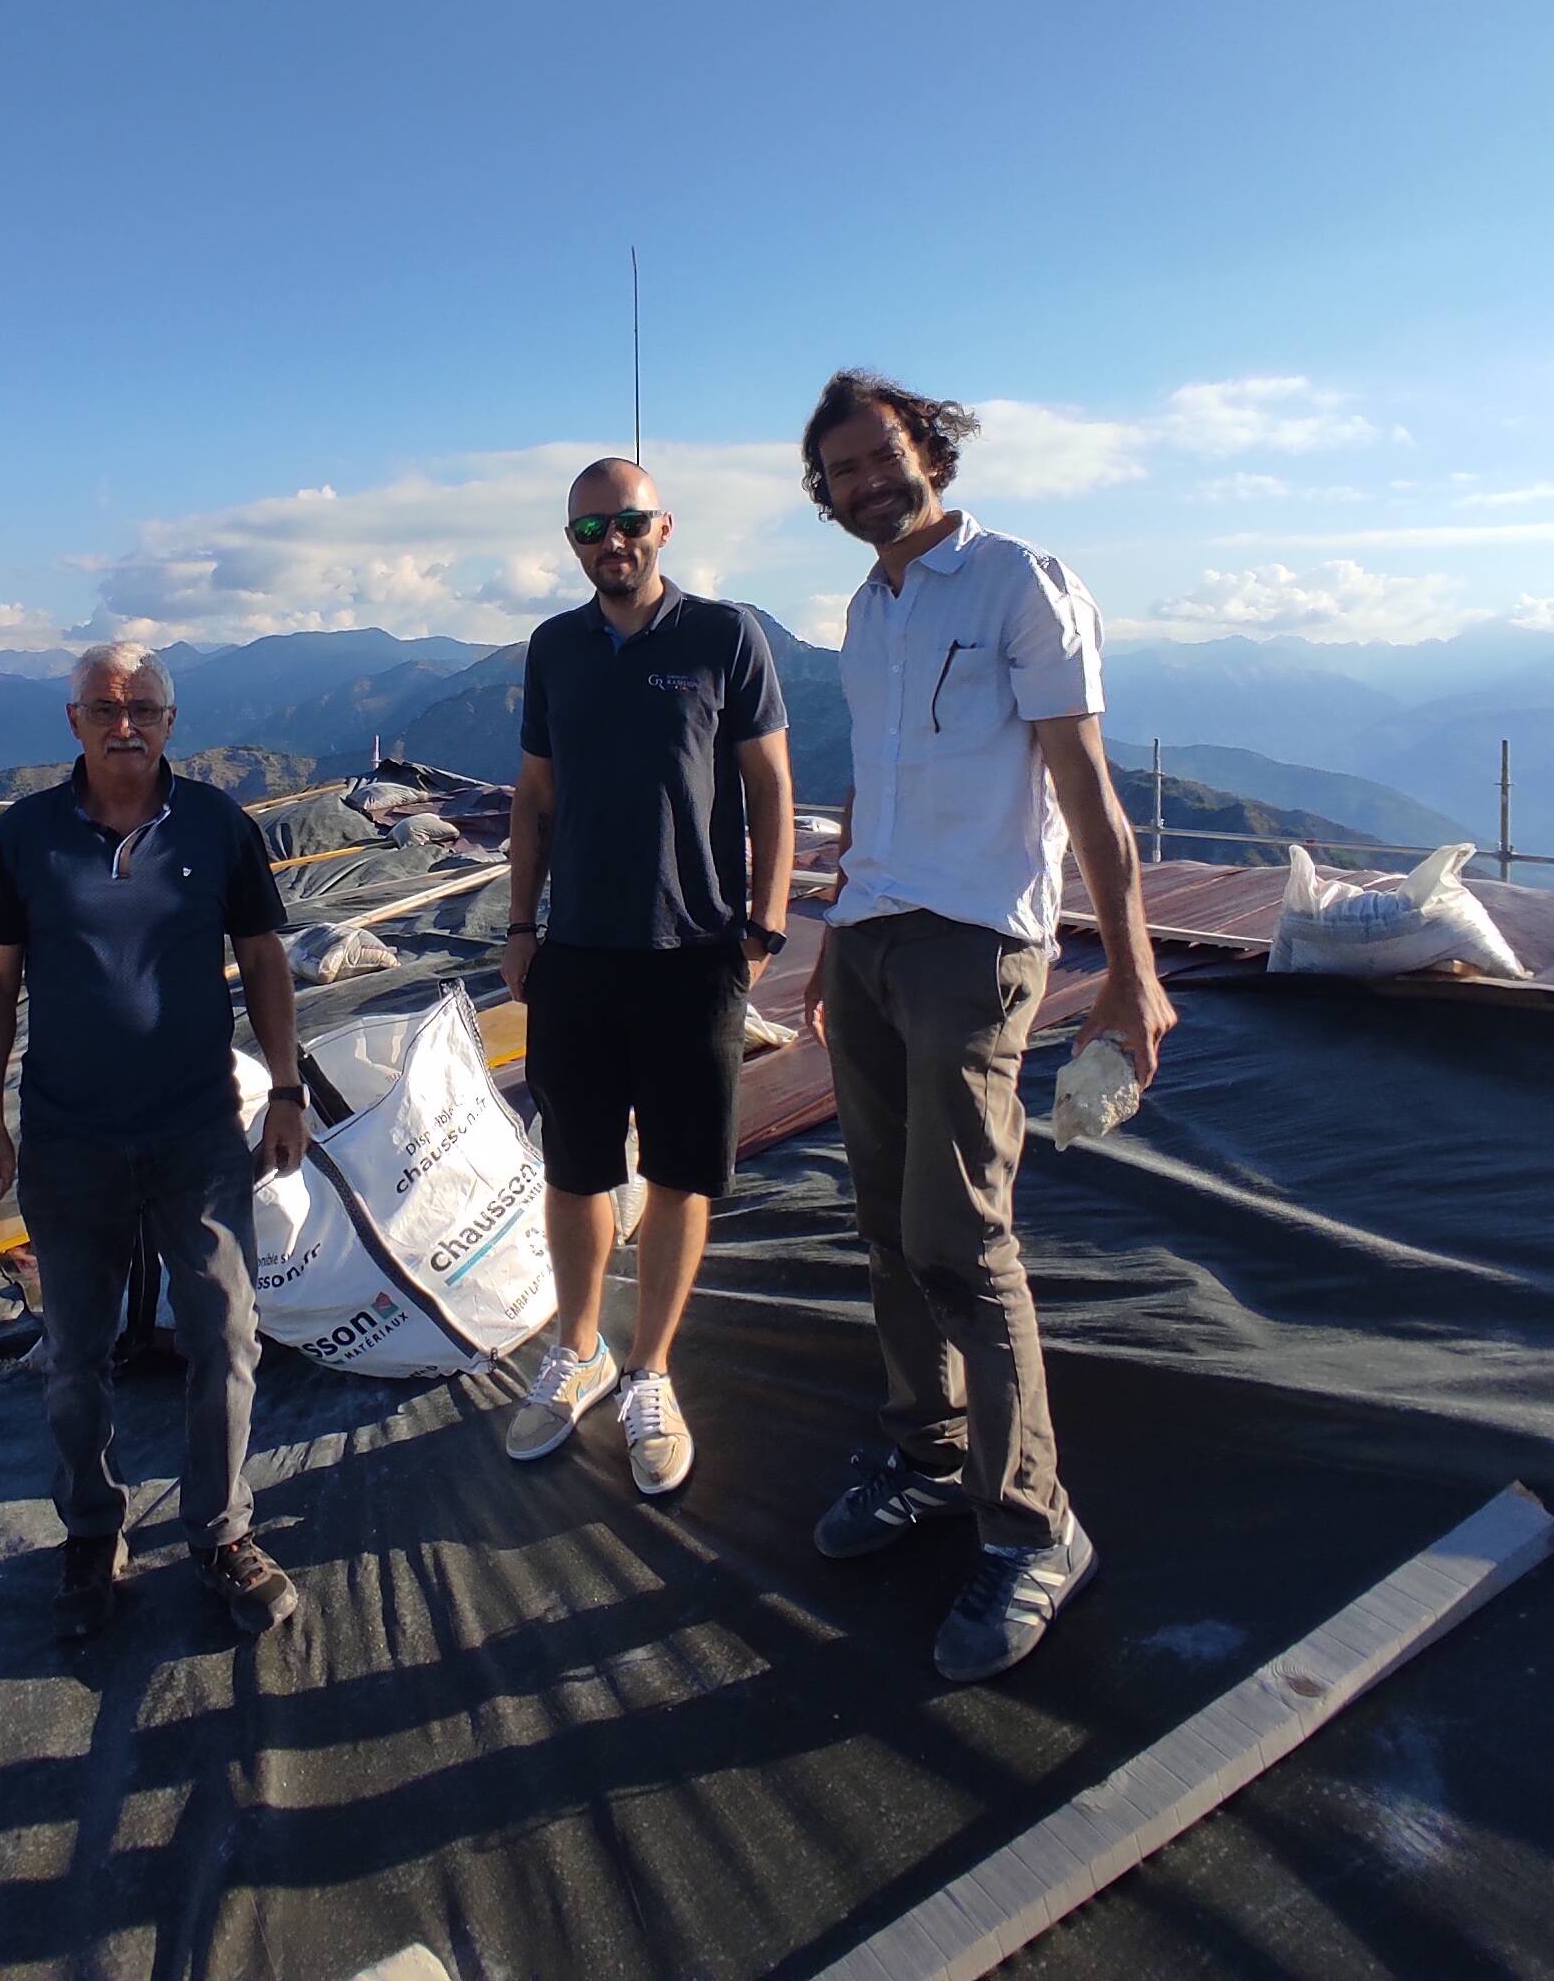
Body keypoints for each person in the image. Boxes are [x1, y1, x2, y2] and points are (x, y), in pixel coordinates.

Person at [795, 370, 1176, 1682]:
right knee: (886, 1223)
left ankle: (1032, 1525)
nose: (864, 484)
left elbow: (1086, 786)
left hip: (978, 941)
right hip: (879, 935)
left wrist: (1129, 970)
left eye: (882, 456)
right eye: (840, 471)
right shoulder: (863, 610)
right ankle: (925, 1450)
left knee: (961, 1234)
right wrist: (836, 926)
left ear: (931, 454)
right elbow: (874, 780)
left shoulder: (1022, 583)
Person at [0, 642, 307, 1643]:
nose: (126, 723)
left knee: (225, 1335)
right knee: (75, 1353)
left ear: (170, 720)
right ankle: (89, 1530)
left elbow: (264, 960)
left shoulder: (216, 826)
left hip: (197, 1131)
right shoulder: (26, 836)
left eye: (144, 707)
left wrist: (285, 1089)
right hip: (70, 1138)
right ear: (72, 722)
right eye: (106, 707)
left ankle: (220, 1533)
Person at [499, 457, 794, 1493]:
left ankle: (650, 1370)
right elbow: (533, 798)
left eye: (625, 523)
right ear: (570, 540)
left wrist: (761, 927)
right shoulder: (552, 648)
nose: (609, 542)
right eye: (588, 530)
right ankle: (576, 1353)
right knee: (575, 1169)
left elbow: (770, 788)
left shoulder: (725, 636)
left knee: (677, 1173)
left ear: (662, 526)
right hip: (576, 952)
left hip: (695, 958)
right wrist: (519, 926)